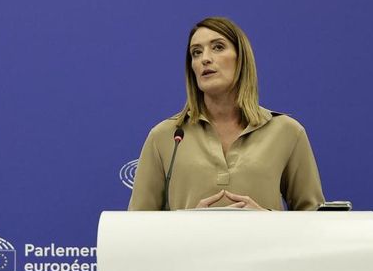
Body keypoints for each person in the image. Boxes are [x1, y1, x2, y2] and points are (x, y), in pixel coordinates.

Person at [128, 17, 324, 211]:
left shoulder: (287, 132)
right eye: (196, 52)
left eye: (218, 47)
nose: (205, 58)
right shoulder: (165, 136)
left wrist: (266, 220)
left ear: (241, 58)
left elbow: (313, 220)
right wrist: (186, 223)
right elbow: (137, 225)